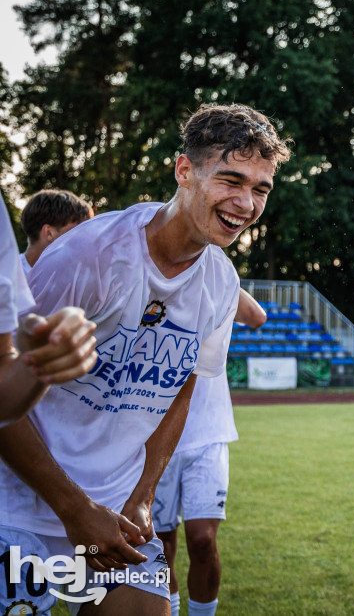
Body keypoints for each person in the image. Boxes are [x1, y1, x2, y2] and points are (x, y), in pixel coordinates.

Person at [0, 103, 290, 616]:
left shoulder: (221, 282)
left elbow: (183, 386)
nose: (245, 203)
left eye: (260, 188)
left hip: (116, 509)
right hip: (21, 508)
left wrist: (142, 494)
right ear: (184, 170)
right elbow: (2, 396)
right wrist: (73, 509)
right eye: (231, 180)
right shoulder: (88, 255)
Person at [153, 290, 266, 616]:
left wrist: (212, 266)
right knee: (160, 545)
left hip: (208, 432)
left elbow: (257, 317)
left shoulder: (218, 279)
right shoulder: (150, 276)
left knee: (202, 540)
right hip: (155, 435)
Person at [0, 200, 97, 427]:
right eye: (81, 231)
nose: (92, 241)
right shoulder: (10, 277)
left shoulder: (88, 283)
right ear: (48, 233)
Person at [19, 189, 94, 273]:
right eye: (75, 233)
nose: (83, 241)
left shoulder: (75, 274)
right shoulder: (8, 276)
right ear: (49, 233)